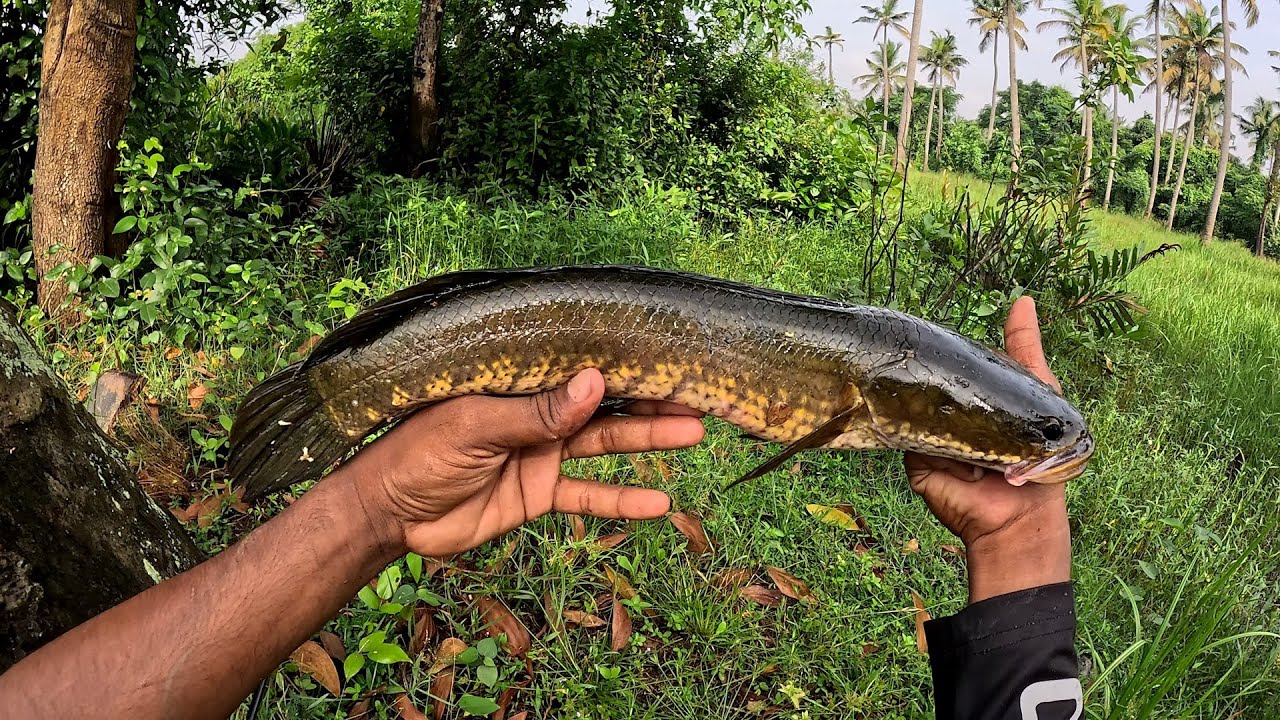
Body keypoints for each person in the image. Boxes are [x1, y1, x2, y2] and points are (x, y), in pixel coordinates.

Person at [0, 297, 1081, 720]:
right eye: (1028, 430)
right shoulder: (866, 385)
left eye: (1030, 430)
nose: (1050, 445)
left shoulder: (879, 384)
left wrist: (373, 507)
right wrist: (1025, 576)